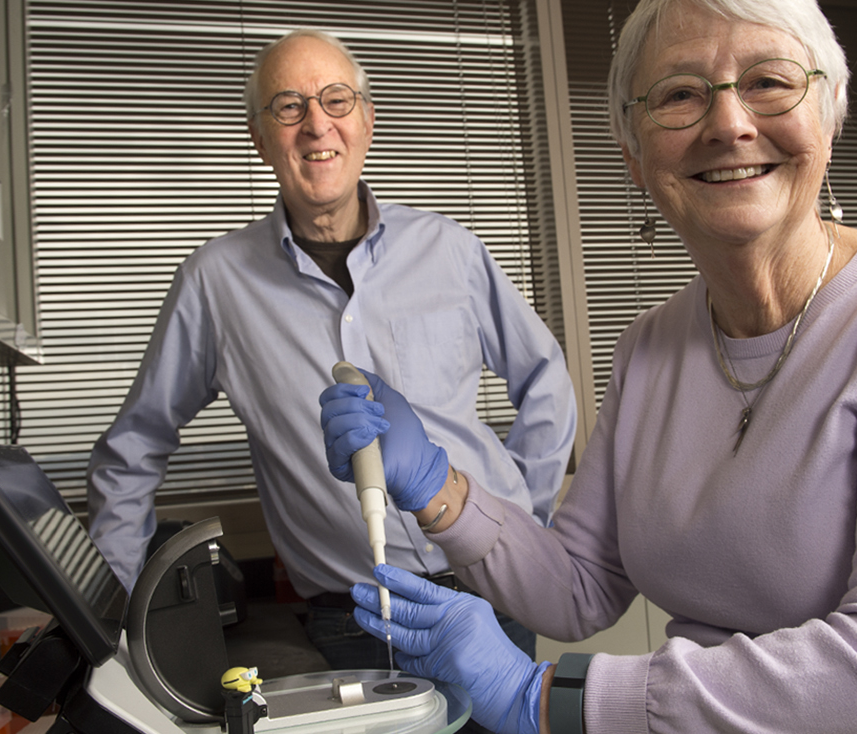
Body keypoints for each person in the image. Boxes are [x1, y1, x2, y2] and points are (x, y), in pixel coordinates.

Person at [318, 0, 857, 731]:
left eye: (768, 82)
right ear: (633, 152)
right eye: (681, 94)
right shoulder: (651, 347)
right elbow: (582, 587)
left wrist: (549, 699)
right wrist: (438, 487)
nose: (729, 123)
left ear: (828, 115)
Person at [85, 28, 577, 672]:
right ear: (260, 138)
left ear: (366, 121)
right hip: (355, 621)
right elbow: (132, 448)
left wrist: (515, 524)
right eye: (288, 107)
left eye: (336, 100)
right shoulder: (214, 282)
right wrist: (106, 620)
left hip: (495, 593)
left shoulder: (449, 249)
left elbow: (545, 378)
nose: (317, 125)